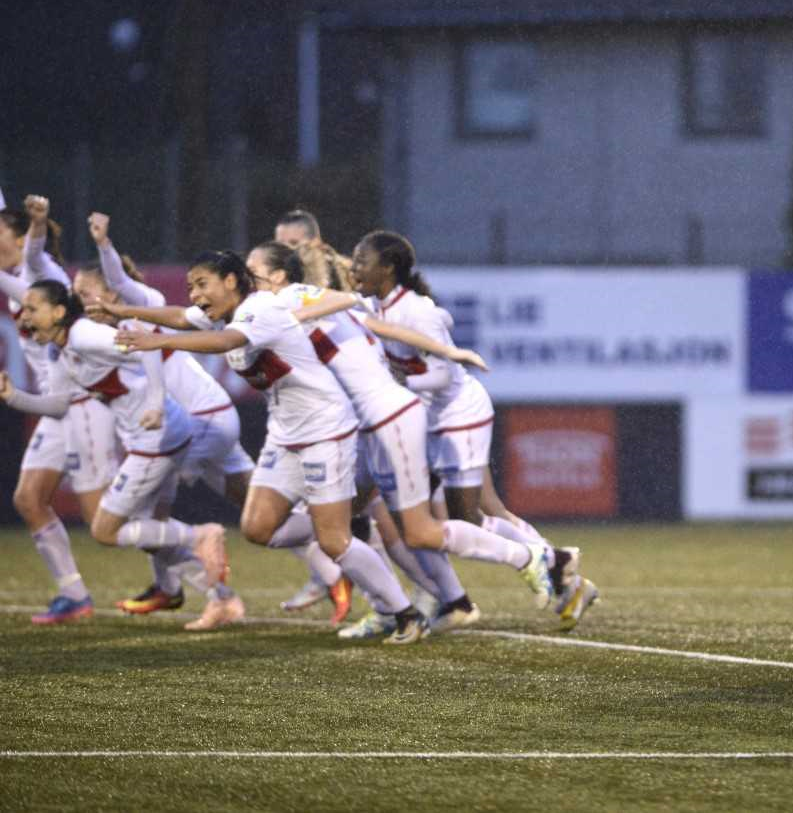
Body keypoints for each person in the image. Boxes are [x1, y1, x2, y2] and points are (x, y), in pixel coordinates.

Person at [113, 250, 429, 645]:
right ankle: (347, 523)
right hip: (284, 435)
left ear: (231, 281)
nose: (194, 295)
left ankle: (404, 614)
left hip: (325, 429)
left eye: (202, 284)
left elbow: (225, 341)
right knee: (259, 528)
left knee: (333, 542)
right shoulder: (224, 312)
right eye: (191, 286)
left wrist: (155, 341)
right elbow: (179, 316)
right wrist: (121, 310)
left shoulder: (261, 308)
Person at [239, 241, 555, 635]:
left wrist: (448, 354)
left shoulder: (291, 302)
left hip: (389, 417)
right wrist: (449, 351)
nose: (246, 279)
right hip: (367, 425)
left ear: (279, 277)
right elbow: (380, 325)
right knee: (361, 521)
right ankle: (409, 606)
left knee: (416, 530)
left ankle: (527, 558)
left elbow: (347, 303)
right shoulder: (291, 312)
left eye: (252, 271)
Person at [346, 230, 593, 626]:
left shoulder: (416, 312)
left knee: (467, 519)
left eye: (362, 260)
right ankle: (441, 598)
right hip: (421, 419)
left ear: (388, 268)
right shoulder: (375, 306)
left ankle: (553, 560)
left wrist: (397, 383)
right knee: (414, 517)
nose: (355, 268)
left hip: (458, 416)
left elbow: (443, 375)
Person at [0, 281, 228, 621]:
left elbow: (146, 345)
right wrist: (13, 397)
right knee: (148, 532)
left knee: (105, 529)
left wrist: (155, 403)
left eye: (33, 309)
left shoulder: (84, 335)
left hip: (157, 439)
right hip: (154, 438)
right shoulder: (58, 351)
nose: (25, 317)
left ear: (59, 312)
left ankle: (200, 535)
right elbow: (59, 406)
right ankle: (222, 599)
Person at [76, 212, 261, 628]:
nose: (81, 302)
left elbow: (121, 284)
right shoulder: (110, 329)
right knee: (258, 508)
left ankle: (189, 578)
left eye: (85, 293)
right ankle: (195, 590)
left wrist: (104, 245)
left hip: (200, 420)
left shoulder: (144, 303)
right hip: (199, 418)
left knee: (140, 519)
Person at [0, 197, 118, 624]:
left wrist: (38, 223)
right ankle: (74, 594)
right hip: (58, 405)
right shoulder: (21, 277)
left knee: (104, 522)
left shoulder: (40, 269)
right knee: (29, 499)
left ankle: (198, 557)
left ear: (20, 238)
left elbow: (33, 253)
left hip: (84, 403)